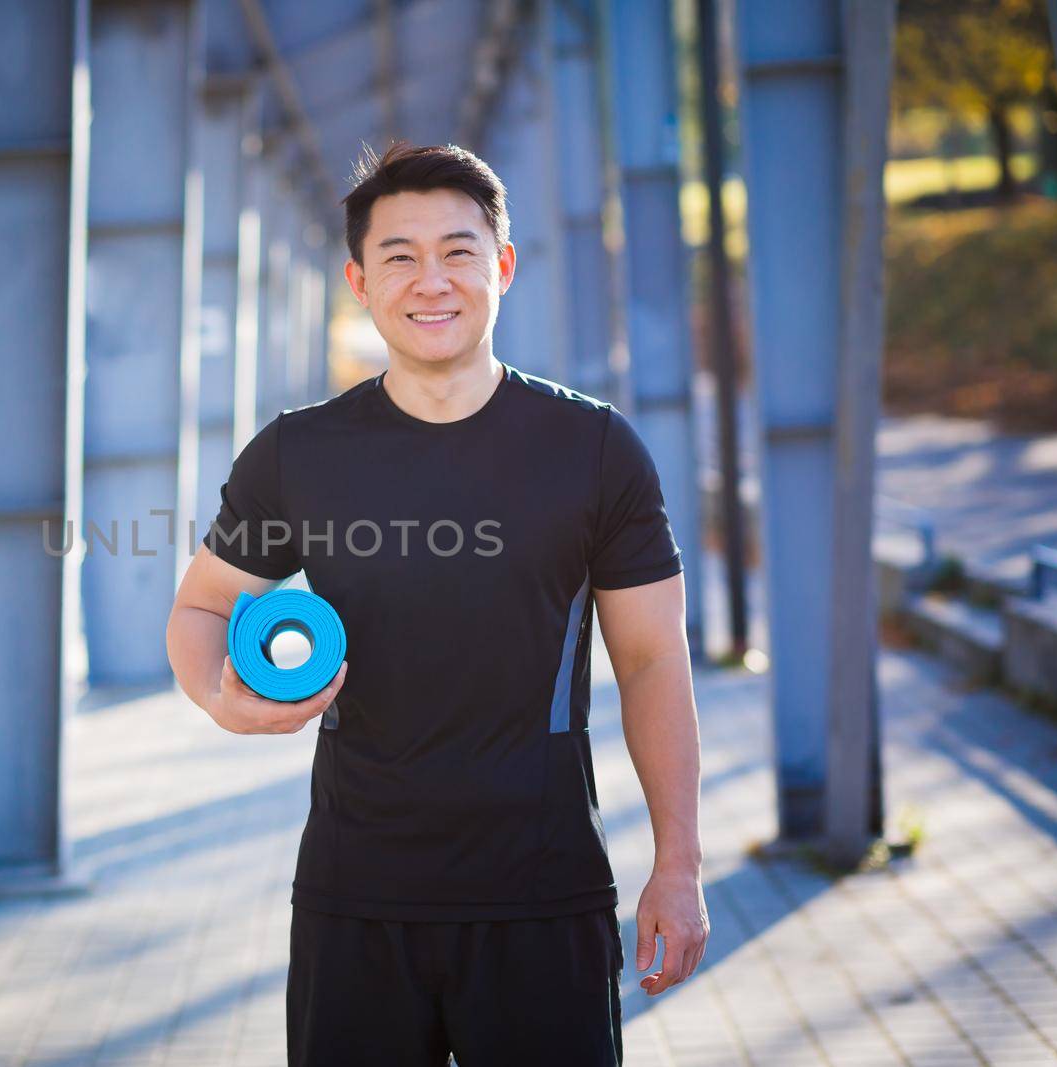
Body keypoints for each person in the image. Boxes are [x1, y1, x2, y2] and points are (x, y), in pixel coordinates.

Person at [165, 141, 708, 1066]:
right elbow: (201, 607)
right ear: (359, 281)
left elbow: (654, 658)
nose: (432, 282)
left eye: (458, 252)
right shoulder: (301, 454)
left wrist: (679, 866)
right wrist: (223, 701)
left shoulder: (594, 450)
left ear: (501, 267)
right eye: (399, 257)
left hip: (544, 895)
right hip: (355, 896)